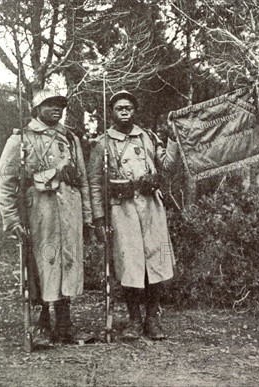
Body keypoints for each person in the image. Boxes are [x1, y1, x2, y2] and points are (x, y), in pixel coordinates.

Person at [0, 89, 93, 344]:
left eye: (60, 104)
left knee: (68, 263)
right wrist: (12, 219)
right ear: (36, 109)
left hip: (69, 210)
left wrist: (87, 217)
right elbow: (4, 180)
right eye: (49, 104)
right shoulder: (22, 138)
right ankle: (43, 324)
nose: (56, 109)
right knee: (43, 263)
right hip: (40, 210)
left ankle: (65, 324)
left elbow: (82, 180)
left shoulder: (70, 138)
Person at [88, 90, 178, 341]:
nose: (125, 111)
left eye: (129, 107)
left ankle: (153, 319)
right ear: (113, 113)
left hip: (151, 207)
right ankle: (134, 320)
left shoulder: (148, 137)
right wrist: (98, 219)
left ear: (135, 110)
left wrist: (172, 138)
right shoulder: (103, 144)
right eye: (119, 108)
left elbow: (168, 167)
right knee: (130, 265)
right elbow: (95, 183)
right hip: (122, 209)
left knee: (155, 263)